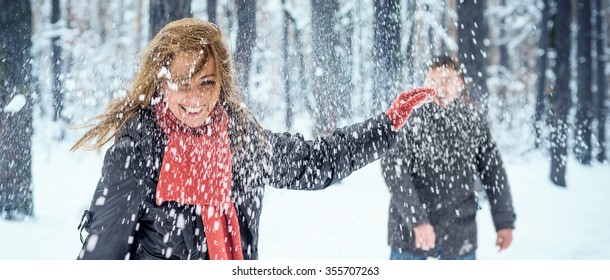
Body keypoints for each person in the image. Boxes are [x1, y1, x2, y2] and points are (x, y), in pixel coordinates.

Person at [72, 18, 435, 260]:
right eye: (182, 83)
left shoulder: (242, 140)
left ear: (221, 83)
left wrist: (385, 125)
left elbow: (316, 162)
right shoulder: (138, 151)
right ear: (161, 82)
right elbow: (100, 256)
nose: (195, 98)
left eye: (206, 83)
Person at [381, 56, 516, 260]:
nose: (439, 88)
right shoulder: (410, 119)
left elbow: (493, 172)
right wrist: (418, 221)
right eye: (433, 81)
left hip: (459, 237)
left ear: (459, 83)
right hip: (410, 238)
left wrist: (504, 222)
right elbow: (394, 170)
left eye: (446, 80)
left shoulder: (472, 122)